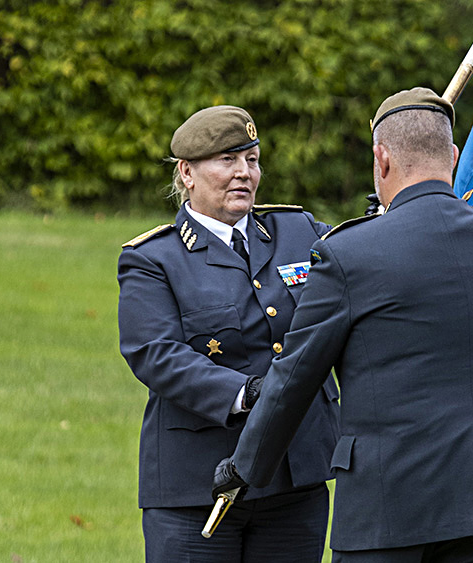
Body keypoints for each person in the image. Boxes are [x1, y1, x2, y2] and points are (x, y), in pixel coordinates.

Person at [212, 87, 473, 562]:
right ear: (452, 157)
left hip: (393, 504)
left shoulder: (350, 253)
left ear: (381, 159)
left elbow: (295, 376)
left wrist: (244, 467)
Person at [117, 105, 340, 561]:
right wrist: (249, 392)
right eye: (227, 161)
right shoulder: (153, 258)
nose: (244, 174)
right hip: (196, 485)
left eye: (252, 160)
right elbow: (156, 354)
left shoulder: (297, 231)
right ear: (187, 173)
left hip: (293, 477)